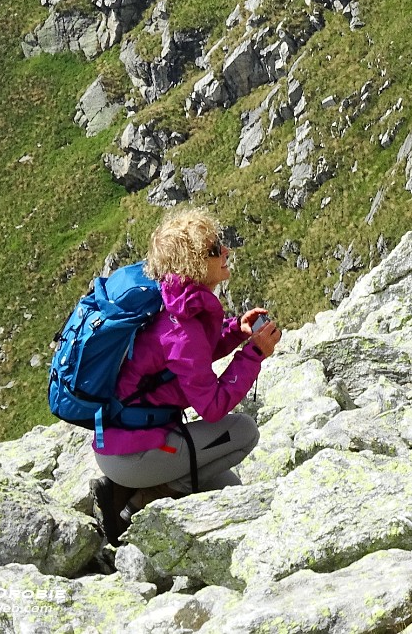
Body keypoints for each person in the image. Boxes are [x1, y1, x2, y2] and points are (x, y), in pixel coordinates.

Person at [91, 207, 281, 545]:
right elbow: (212, 407)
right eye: (213, 250)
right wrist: (254, 354)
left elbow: (192, 356)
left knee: (228, 487)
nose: (226, 252)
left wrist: (236, 330)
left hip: (122, 442)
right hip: (133, 454)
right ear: (192, 265)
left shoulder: (175, 301)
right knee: (244, 432)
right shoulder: (181, 329)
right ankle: (139, 501)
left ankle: (123, 487)